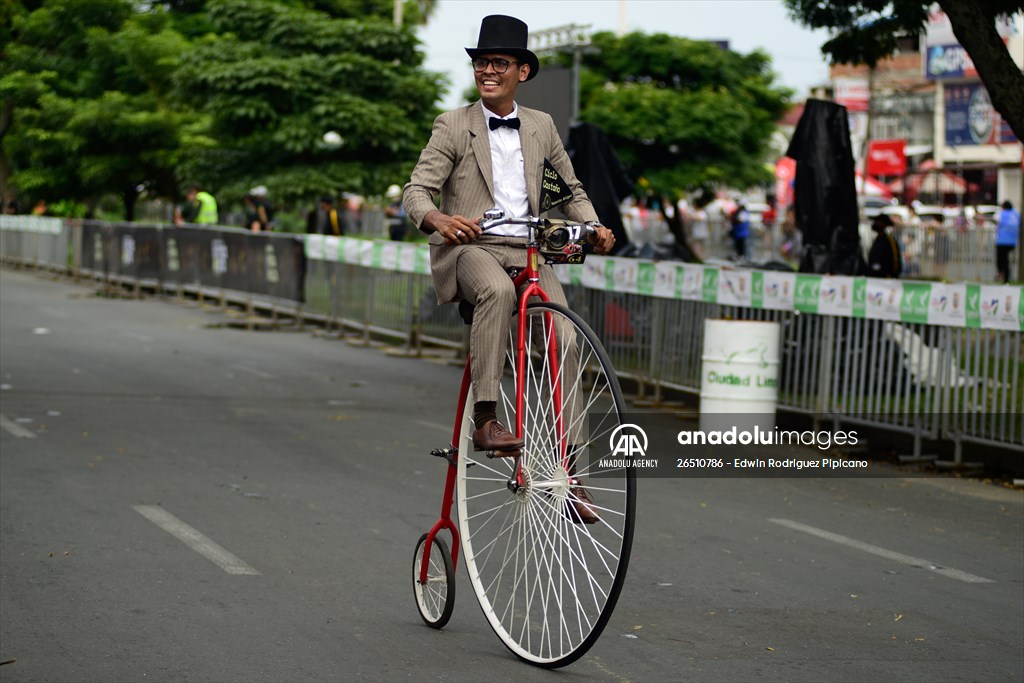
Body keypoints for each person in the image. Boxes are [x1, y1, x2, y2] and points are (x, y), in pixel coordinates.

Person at [403, 14, 614, 524]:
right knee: (496, 291)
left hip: (531, 251)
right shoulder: (454, 125)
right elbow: (415, 191)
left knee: (564, 340)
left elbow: (572, 190)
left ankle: (569, 473)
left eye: (499, 63)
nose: (488, 71)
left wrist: (595, 225)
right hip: (473, 246)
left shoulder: (541, 125)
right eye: (481, 62)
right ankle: (487, 418)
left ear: (523, 70)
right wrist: (436, 217)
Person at [867, 214, 902, 279]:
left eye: (878, 221)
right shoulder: (877, 240)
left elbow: (895, 260)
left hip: (886, 278)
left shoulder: (889, 241)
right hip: (874, 277)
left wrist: (891, 275)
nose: (875, 223)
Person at [995, 200, 1020, 283]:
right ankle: (1005, 275)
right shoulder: (1016, 214)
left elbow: (996, 220)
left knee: (1001, 259)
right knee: (1006, 259)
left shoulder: (1002, 214)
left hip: (1002, 241)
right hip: (1012, 241)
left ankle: (1002, 274)